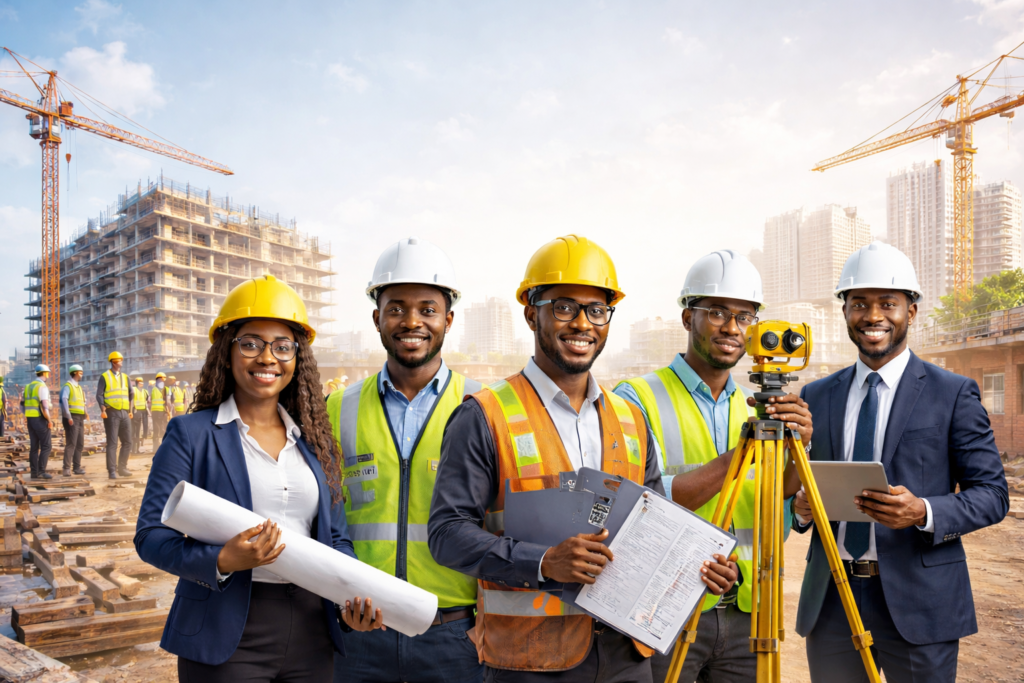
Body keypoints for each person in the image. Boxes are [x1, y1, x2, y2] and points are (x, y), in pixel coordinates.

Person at [429, 235, 737, 683]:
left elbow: (652, 526)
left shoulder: (631, 419)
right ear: (531, 312)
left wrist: (699, 566)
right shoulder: (484, 415)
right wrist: (542, 561)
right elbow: (446, 534)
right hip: (529, 659)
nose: (582, 324)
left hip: (627, 655)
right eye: (564, 306)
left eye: (597, 310)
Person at [135, 274, 384, 682]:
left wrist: (347, 601)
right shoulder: (191, 434)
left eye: (282, 347)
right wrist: (221, 560)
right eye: (250, 343)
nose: (267, 358)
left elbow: (335, 539)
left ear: (297, 358)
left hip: (311, 629)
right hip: (225, 629)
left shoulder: (316, 442)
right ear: (226, 352)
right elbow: (150, 537)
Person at [792, 242, 1009, 683]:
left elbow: (993, 494)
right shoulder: (816, 395)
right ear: (845, 312)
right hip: (832, 600)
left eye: (888, 303)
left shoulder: (952, 393)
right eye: (859, 304)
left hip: (919, 603)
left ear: (911, 311)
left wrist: (924, 512)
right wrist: (800, 510)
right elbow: (805, 484)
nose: (873, 316)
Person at [615, 250, 813, 683]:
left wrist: (801, 446)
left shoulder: (758, 405)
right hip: (667, 607)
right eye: (717, 312)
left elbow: (774, 498)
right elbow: (638, 503)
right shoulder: (635, 397)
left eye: (744, 317)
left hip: (750, 609)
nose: (732, 327)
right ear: (688, 318)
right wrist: (733, 460)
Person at [328, 237, 483, 683]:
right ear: (377, 317)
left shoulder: (483, 406)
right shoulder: (339, 408)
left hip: (456, 635)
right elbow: (324, 520)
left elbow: (500, 523)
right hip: (360, 633)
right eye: (396, 308)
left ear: (448, 320)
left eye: (427, 310)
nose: (411, 321)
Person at [98, 351, 134, 479]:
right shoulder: (105, 376)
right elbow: (99, 394)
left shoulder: (125, 377)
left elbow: (131, 393)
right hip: (111, 412)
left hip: (124, 412)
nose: (121, 362)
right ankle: (112, 471)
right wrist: (103, 409)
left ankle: (122, 468)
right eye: (119, 360)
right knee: (112, 443)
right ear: (113, 361)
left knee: (128, 442)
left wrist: (130, 409)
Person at [22, 365, 53, 479]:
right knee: (46, 446)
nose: (48, 375)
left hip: (30, 419)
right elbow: (45, 406)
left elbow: (22, 404)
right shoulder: (42, 387)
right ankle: (41, 471)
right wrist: (49, 420)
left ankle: (34, 473)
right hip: (40, 418)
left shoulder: (28, 386)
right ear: (44, 373)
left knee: (34, 447)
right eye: (47, 373)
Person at [59, 365, 88, 476]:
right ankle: (66, 468)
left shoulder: (79, 387)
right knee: (71, 443)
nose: (82, 374)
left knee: (80, 444)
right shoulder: (68, 386)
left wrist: (86, 413)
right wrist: (68, 416)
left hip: (80, 417)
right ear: (75, 373)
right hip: (72, 417)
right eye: (80, 373)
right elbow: (64, 400)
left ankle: (77, 467)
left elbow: (83, 402)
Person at [132, 377, 150, 454]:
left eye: (142, 382)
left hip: (143, 413)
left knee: (140, 432)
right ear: (136, 383)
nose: (141, 383)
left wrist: (148, 412)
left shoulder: (145, 391)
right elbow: (131, 401)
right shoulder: (134, 390)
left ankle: (138, 448)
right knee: (135, 431)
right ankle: (133, 449)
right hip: (135, 412)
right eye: (139, 382)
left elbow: (147, 402)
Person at [151, 372, 168, 448]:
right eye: (162, 378)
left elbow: (167, 401)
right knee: (157, 429)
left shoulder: (155, 389)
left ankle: (160, 446)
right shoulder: (154, 389)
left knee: (161, 429)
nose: (163, 380)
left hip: (161, 411)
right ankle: (156, 447)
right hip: (156, 411)